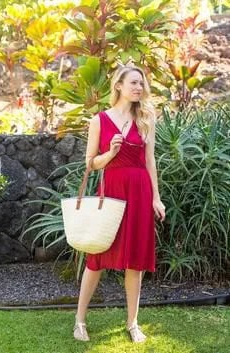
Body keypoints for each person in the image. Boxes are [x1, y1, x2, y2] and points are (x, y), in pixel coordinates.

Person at [73, 63, 166, 343]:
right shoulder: (99, 120)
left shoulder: (146, 117)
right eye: (134, 83)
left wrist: (156, 198)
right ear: (119, 86)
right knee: (97, 256)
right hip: (112, 191)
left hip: (139, 192)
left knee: (135, 262)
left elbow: (150, 161)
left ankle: (133, 323)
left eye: (142, 84)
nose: (139, 88)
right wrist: (111, 153)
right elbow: (90, 163)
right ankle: (79, 321)